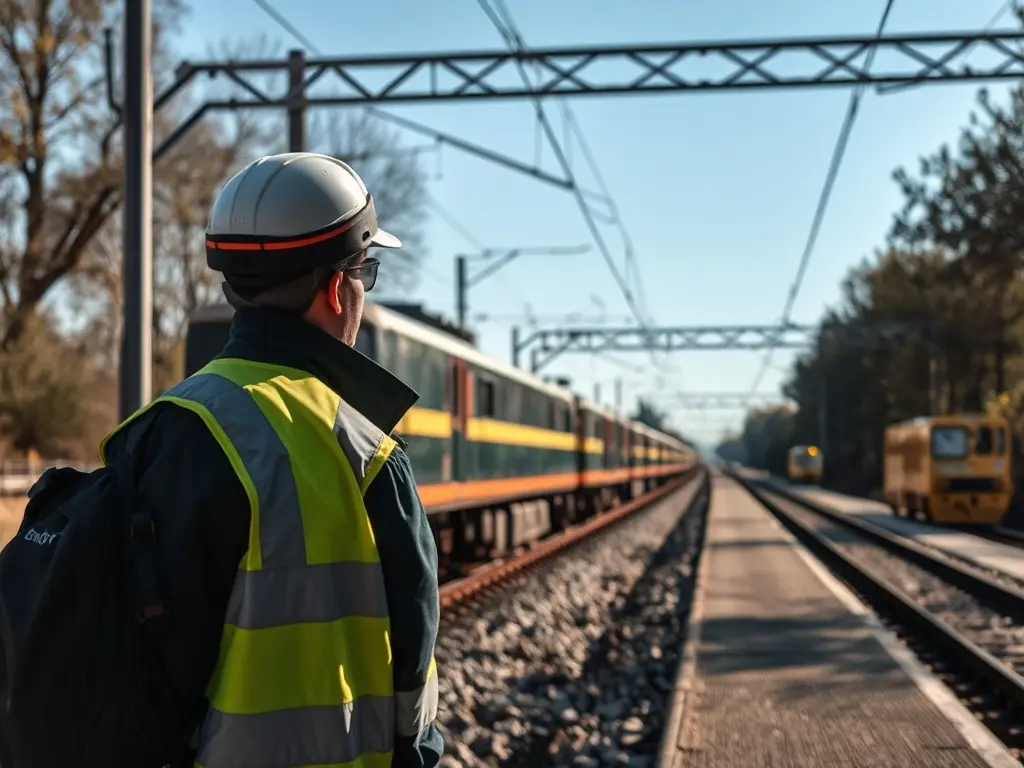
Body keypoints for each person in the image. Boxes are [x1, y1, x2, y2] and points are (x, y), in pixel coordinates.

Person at [101, 152, 444, 768]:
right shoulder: (366, 452)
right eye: (366, 272)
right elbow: (412, 678)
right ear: (337, 290)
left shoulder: (155, 430)